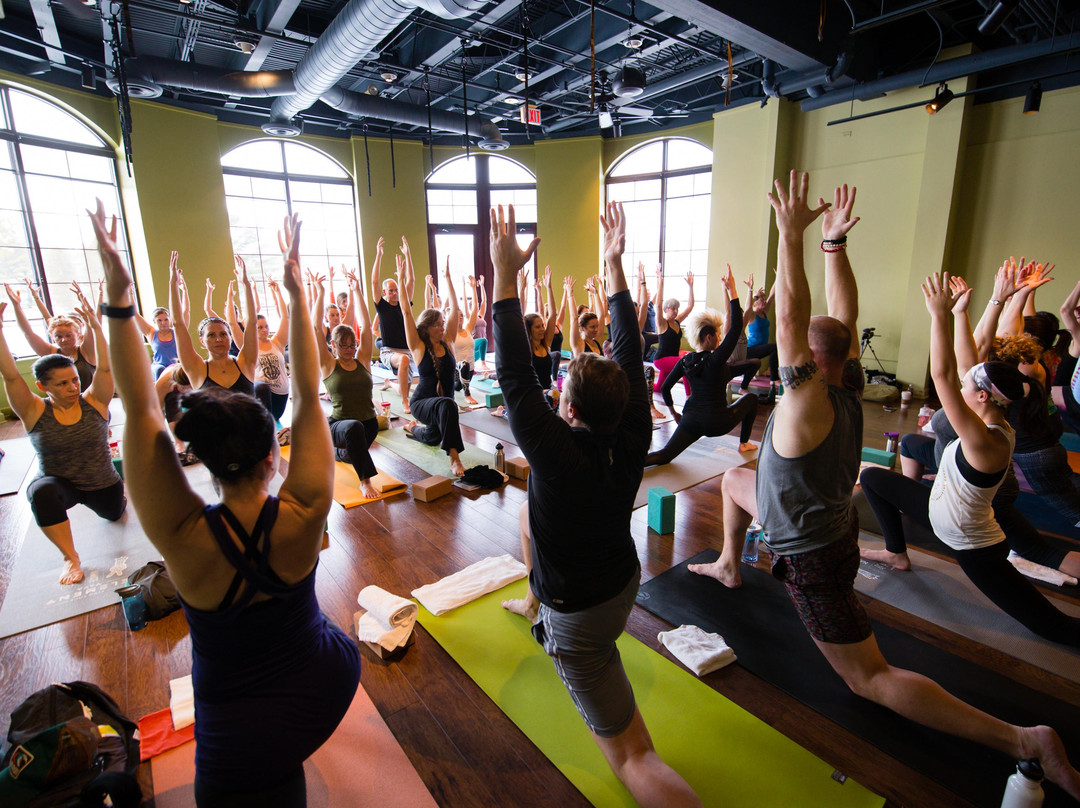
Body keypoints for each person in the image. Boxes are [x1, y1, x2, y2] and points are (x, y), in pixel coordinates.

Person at [690, 172, 1080, 800]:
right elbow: (840, 316)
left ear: (807, 366)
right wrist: (833, 246)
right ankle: (732, 564)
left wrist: (791, 236)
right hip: (827, 521)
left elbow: (792, 320)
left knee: (867, 678)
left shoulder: (803, 404)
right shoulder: (841, 384)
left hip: (812, 555)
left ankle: (1024, 740)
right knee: (738, 476)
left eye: (796, 353)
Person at [91, 202, 361, 807]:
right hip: (322, 682)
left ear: (206, 462)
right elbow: (311, 400)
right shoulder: (305, 509)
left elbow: (139, 408)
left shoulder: (182, 534)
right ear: (274, 455)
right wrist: (295, 296)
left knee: (250, 779)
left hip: (233, 725)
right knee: (282, 765)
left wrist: (119, 298)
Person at [492, 202, 700, 807]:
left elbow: (512, 372)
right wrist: (613, 264)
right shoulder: (635, 434)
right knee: (600, 655)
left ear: (571, 410)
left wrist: (506, 275)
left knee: (635, 757)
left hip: (580, 615)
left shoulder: (557, 452)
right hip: (622, 585)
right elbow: (629, 350)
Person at [859, 272, 1079, 647]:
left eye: (968, 386)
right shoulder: (987, 413)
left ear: (981, 398)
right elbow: (962, 365)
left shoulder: (984, 440)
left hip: (972, 546)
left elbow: (943, 375)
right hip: (938, 513)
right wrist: (961, 313)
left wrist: (936, 315)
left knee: (1057, 629)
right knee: (875, 479)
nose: (962, 386)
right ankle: (897, 554)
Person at [0, 298, 123, 585]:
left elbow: (105, 369)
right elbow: (9, 373)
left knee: (115, 514)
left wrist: (95, 324)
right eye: (62, 383)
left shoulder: (94, 401)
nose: (73, 387)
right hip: (59, 483)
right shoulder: (33, 410)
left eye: (74, 380)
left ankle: (117, 500)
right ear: (42, 386)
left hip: (102, 483)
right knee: (41, 492)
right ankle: (70, 558)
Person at [646, 267, 758, 466]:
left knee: (664, 455)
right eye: (717, 334)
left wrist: (674, 414)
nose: (720, 338)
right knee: (751, 398)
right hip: (717, 423)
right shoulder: (715, 360)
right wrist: (732, 291)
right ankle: (744, 443)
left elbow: (664, 388)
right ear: (709, 337)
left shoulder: (684, 361)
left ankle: (621, 466)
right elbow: (736, 328)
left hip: (690, 420)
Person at [314, 269, 381, 500]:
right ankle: (365, 481)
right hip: (340, 425)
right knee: (353, 429)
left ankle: (339, 454)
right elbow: (315, 329)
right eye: (344, 345)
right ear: (333, 345)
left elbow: (365, 325)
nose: (349, 349)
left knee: (354, 446)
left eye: (352, 345)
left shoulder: (362, 360)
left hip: (368, 424)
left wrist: (358, 291)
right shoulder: (329, 364)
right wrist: (320, 292)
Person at [400, 256, 467, 478]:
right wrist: (401, 281)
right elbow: (406, 313)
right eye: (437, 325)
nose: (442, 327)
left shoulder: (447, 342)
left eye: (442, 324)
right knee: (448, 405)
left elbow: (455, 310)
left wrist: (448, 279)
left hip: (442, 406)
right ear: (427, 328)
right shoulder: (418, 347)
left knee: (433, 437)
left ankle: (413, 428)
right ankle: (454, 458)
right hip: (422, 403)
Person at [171, 256, 258, 398]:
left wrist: (246, 285)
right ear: (202, 341)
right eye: (211, 335)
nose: (219, 339)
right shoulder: (196, 368)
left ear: (230, 337)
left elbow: (252, 322)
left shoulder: (245, 362)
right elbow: (178, 324)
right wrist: (173, 284)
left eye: (223, 334)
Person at [4, 281, 98, 390]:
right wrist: (16, 305)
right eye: (59, 336)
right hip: (62, 404)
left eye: (68, 335)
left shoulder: (86, 351)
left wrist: (87, 317)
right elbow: (28, 332)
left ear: (77, 334)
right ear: (53, 337)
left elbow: (92, 329)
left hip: (88, 402)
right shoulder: (50, 352)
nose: (63, 340)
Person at [371, 236, 417, 414]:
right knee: (404, 361)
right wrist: (378, 255)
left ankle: (391, 384)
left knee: (404, 385)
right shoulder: (381, 306)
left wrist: (408, 254)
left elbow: (411, 281)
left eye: (396, 289)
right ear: (384, 292)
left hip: (406, 351)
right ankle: (406, 403)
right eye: (391, 290)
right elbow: (374, 282)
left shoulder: (403, 304)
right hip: (389, 351)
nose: (395, 293)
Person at [134, 251, 188, 379]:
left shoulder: (177, 330)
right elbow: (135, 315)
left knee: (183, 369)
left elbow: (185, 311)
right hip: (160, 367)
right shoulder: (151, 332)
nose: (163, 323)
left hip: (176, 365)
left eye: (165, 319)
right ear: (154, 321)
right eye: (159, 320)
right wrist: (130, 295)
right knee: (160, 370)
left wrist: (184, 291)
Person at [254, 277, 290, 422]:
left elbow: (285, 318)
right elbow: (232, 323)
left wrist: (277, 292)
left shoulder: (277, 342)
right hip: (262, 393)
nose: (264, 330)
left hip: (280, 394)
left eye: (266, 326)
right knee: (262, 388)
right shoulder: (250, 347)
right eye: (260, 327)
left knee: (274, 419)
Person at [454, 275, 482, 405]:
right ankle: (467, 395)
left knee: (466, 365)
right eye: (457, 316)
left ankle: (466, 387)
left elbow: (475, 309)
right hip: (455, 374)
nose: (460, 317)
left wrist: (473, 289)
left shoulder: (468, 329)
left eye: (461, 316)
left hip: (469, 373)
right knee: (463, 364)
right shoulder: (449, 333)